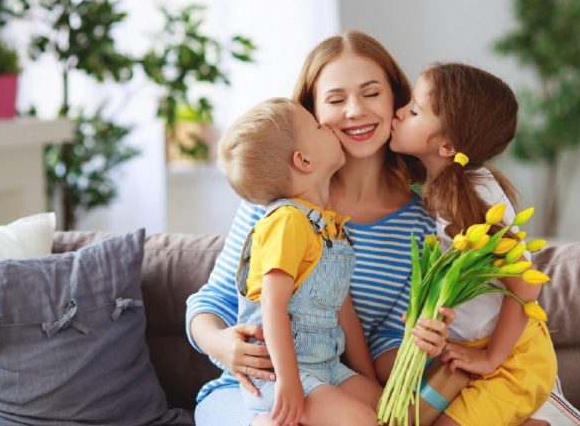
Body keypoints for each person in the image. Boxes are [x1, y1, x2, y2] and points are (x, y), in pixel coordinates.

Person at [186, 31, 449, 426]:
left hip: (336, 385)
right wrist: (223, 345)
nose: (355, 111)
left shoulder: (422, 227)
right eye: (336, 100)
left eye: (371, 93)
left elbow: (382, 345)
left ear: (396, 99)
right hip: (253, 392)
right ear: (311, 116)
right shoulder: (272, 205)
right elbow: (210, 304)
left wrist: (425, 348)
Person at [390, 62, 558, 426]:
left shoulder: (475, 197)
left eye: (414, 110)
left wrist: (491, 359)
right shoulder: (440, 186)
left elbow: (525, 286)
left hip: (512, 358)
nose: (398, 112)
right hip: (463, 354)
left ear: (447, 146)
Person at [217, 97, 381, 425]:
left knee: (397, 411)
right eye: (318, 126)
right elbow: (272, 307)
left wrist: (371, 381)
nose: (329, 126)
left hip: (328, 366)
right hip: (283, 373)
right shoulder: (287, 222)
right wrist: (290, 382)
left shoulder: (330, 227)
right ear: (303, 160)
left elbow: (343, 312)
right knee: (362, 421)